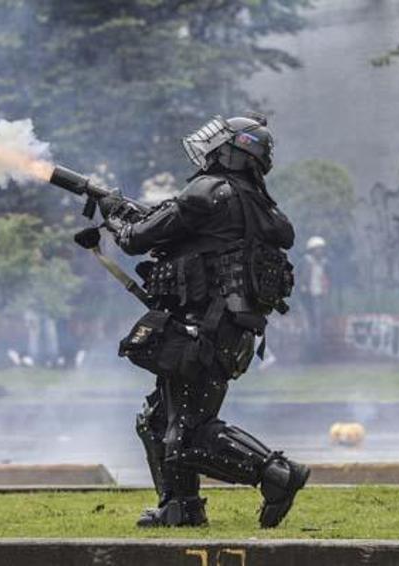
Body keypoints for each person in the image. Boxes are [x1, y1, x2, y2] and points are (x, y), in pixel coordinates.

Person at [94, 114, 307, 528]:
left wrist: (112, 211)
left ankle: (276, 474)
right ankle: (181, 508)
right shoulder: (256, 206)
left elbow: (138, 238)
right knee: (158, 420)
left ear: (233, 150)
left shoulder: (209, 192)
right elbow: (191, 238)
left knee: (189, 431)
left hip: (205, 329)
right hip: (226, 331)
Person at [298, 236, 329, 361]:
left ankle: (317, 355)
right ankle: (308, 355)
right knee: (308, 328)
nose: (320, 251)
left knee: (318, 328)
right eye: (318, 249)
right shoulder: (305, 262)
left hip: (318, 297)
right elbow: (298, 279)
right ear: (311, 250)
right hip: (306, 299)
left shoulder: (324, 263)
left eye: (322, 249)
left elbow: (326, 279)